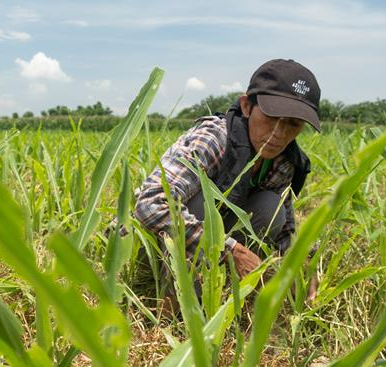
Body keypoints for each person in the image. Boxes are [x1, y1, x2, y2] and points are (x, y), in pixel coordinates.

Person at [133, 59, 320, 307]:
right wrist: (231, 252)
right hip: (150, 244)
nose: (279, 133)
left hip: (207, 244)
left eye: (293, 124)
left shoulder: (283, 161)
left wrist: (299, 262)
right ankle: (176, 302)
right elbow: (150, 203)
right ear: (246, 106)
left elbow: (285, 231)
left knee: (271, 207)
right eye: (271, 116)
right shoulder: (215, 138)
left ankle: (224, 291)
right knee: (202, 201)